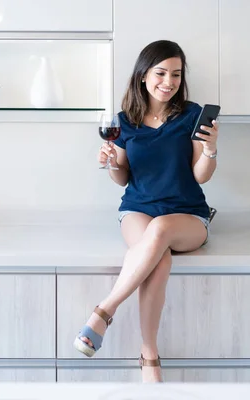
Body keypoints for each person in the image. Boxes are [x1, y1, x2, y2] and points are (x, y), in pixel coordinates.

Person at [73, 40, 219, 383]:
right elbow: (122, 177)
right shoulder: (125, 121)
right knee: (159, 258)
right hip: (137, 209)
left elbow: (201, 176)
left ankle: (103, 311)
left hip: (187, 215)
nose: (168, 82)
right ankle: (149, 354)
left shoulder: (193, 115)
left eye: (176, 75)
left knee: (161, 232)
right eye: (161, 73)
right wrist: (110, 163)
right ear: (143, 76)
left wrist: (210, 150)